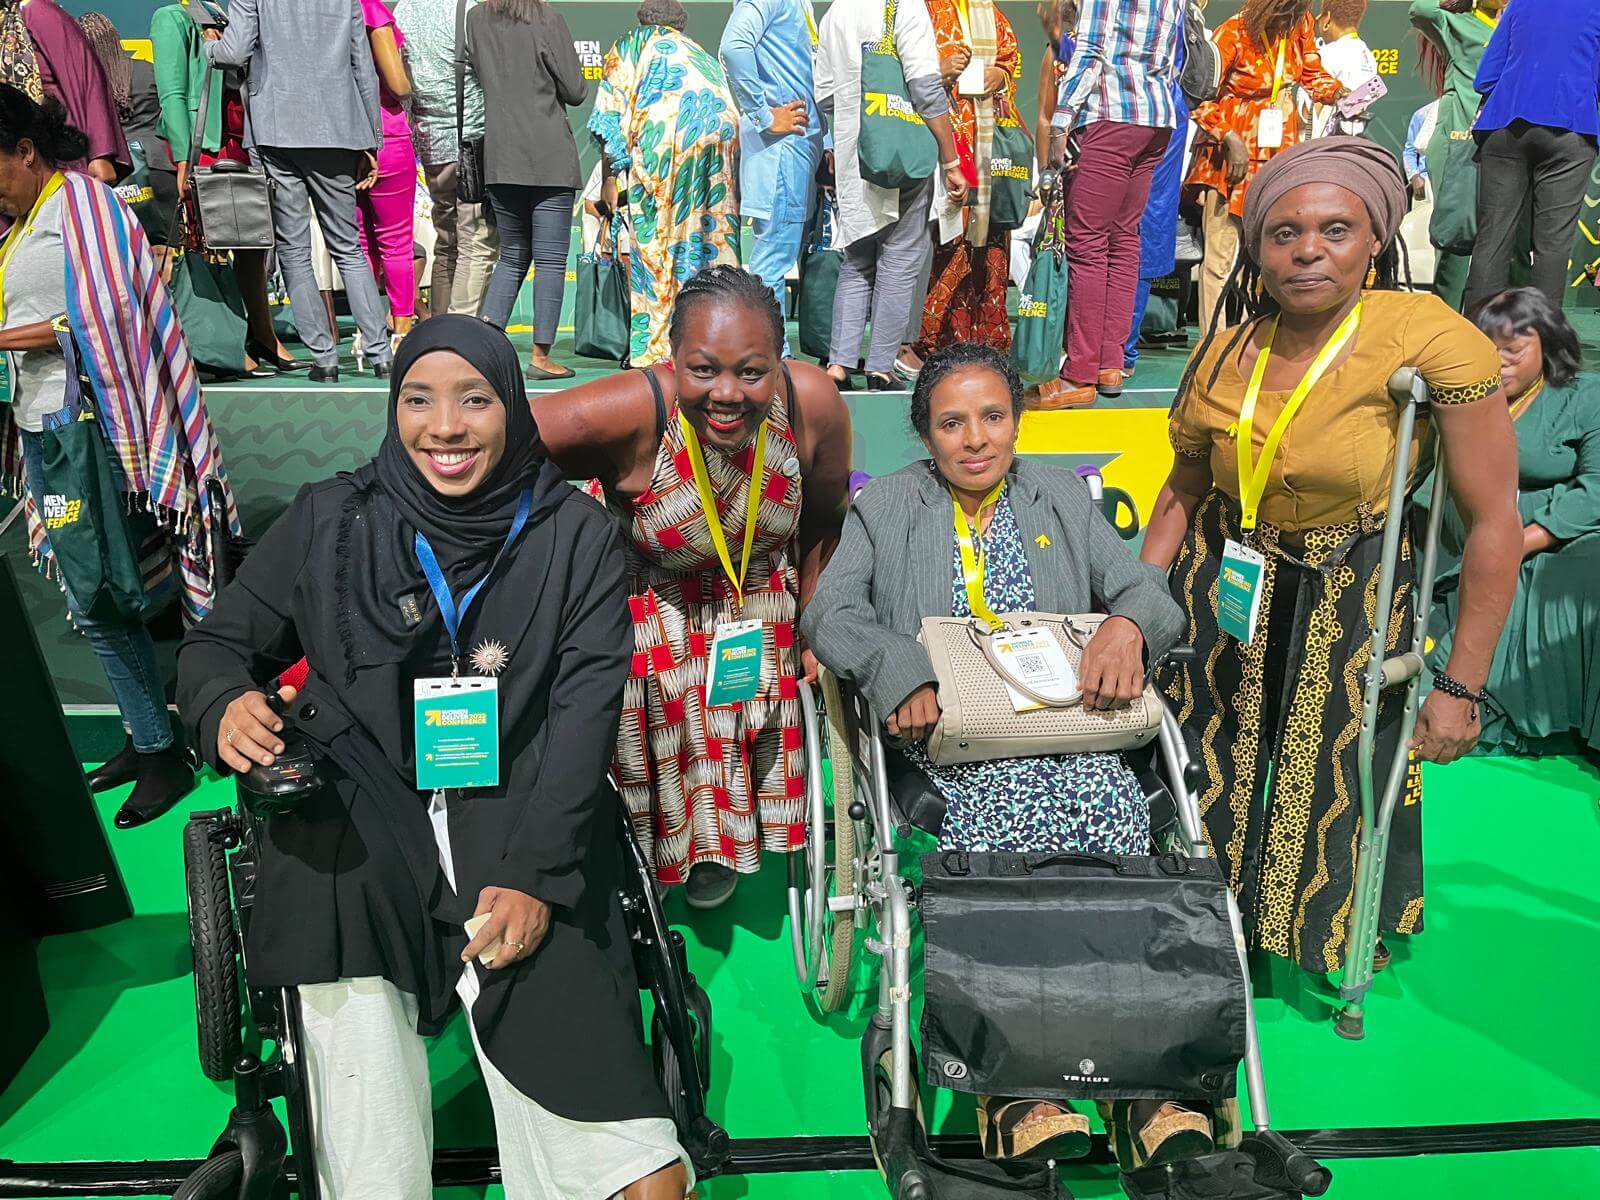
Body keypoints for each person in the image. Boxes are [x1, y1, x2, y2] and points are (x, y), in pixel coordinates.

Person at [176, 316, 693, 1200]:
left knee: (643, 1183)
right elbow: (217, 646)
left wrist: (536, 874)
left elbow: (581, 717)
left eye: (473, 400)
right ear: (393, 406)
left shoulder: (576, 536)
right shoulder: (332, 518)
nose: (444, 427)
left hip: (523, 806)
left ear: (513, 407)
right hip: (356, 806)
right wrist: (225, 704)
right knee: (364, 1102)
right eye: (419, 399)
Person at [801, 343, 1224, 1170]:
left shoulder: (1059, 496)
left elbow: (1142, 587)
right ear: (924, 434)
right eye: (952, 422)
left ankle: (1148, 1080)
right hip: (951, 745)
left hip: (1069, 731)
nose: (975, 439)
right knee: (1002, 833)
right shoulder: (885, 508)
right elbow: (830, 612)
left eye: (992, 416)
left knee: (1117, 817)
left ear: (1018, 422)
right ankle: (1019, 1088)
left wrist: (1129, 625)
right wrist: (896, 666)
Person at [1142, 137, 1522, 976]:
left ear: (1375, 241)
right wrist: (1133, 616)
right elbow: (1181, 494)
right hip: (1225, 574)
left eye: (1335, 229)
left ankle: (1318, 931)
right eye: (1283, 232)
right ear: (1256, 246)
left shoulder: (1427, 334)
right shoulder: (1225, 347)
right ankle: (1209, 921)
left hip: (1350, 580)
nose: (1306, 250)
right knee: (1207, 752)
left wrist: (1460, 685)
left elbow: (1493, 520)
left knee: (1335, 765)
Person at [532, 267, 852, 910]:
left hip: (759, 614)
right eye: (703, 370)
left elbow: (823, 522)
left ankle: (720, 848)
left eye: (751, 371)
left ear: (778, 364)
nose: (727, 393)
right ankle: (648, 855)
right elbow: (497, 443)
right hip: (655, 617)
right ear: (671, 360)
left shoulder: (811, 402)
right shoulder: (636, 409)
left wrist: (817, 625)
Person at [0, 85, 236, 829]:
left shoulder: (83, 207)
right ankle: (149, 737)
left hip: (99, 430)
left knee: (110, 592)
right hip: (48, 429)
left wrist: (9, 339)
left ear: (26, 152)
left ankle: (170, 748)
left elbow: (112, 313)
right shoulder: (26, 219)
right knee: (95, 595)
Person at [1426, 288, 1600, 758]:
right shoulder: (1458, 395)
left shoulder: (1587, 396)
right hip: (1470, 527)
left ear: (1549, 345)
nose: (1499, 363)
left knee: (1576, 576)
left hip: (1562, 530)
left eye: (1514, 351)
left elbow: (1596, 490)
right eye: (1488, 350)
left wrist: (1520, 542)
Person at [204, 0, 395, 382]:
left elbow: (233, 52)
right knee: (348, 247)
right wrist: (372, 139)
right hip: (339, 130)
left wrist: (208, 45)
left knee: (294, 249)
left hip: (277, 130)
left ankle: (324, 359)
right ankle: (381, 354)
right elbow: (364, 67)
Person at [1033, 0, 1184, 410]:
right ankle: (1109, 365)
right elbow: (1172, 58)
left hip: (1111, 116)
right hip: (1156, 118)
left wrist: (1061, 121)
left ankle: (1079, 372)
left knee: (1087, 244)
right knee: (1123, 239)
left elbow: (1090, 51)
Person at [815, 0, 968, 391]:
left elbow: (825, 95)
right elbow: (924, 88)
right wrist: (951, 161)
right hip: (901, 151)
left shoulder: (835, 12)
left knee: (858, 259)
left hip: (856, 152)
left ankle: (839, 364)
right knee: (900, 258)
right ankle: (881, 366)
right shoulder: (903, 6)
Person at [150, 0, 301, 374]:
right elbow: (172, 92)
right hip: (204, 147)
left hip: (243, 140)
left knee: (253, 241)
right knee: (208, 246)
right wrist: (184, 157)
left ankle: (264, 334)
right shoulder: (173, 16)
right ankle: (222, 344)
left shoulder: (233, 14)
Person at [589, 1, 740, 369]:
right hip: (722, 134)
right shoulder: (696, 50)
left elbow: (608, 117)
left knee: (655, 241)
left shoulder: (630, 44)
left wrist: (611, 179)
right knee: (710, 240)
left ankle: (658, 347)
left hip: (669, 136)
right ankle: (716, 334)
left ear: (641, 20)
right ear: (681, 24)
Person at [1185, 0, 1344, 336]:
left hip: (1277, 154)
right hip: (1232, 157)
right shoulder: (1233, 31)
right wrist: (1228, 137)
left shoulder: (1297, 25)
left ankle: (1246, 341)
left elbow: (1312, 74)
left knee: (1261, 259)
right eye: (1286, 10)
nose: (1293, 17)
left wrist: (1341, 93)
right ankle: (1210, 347)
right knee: (1221, 260)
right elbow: (1198, 96)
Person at [469, 0, 585, 381]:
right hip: (548, 155)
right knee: (550, 260)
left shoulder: (476, 18)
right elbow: (576, 89)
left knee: (513, 255)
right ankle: (541, 356)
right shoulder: (547, 18)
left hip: (501, 156)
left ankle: (483, 349)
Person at [1462, 0, 1600, 313]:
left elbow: (1484, 78)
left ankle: (1474, 343)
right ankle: (1542, 348)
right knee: (1552, 245)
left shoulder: (1520, 5)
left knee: (1493, 237)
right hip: (1570, 125)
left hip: (1505, 123)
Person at [719, 0, 826, 355]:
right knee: (773, 260)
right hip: (781, 149)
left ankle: (769, 355)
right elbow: (734, 47)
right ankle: (770, 357)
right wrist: (763, 115)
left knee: (780, 255)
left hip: (797, 148)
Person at [393, 0, 496, 319]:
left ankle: (440, 329)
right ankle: (460, 335)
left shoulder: (403, 9)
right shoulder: (470, 8)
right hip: (471, 139)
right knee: (476, 241)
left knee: (448, 239)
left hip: (429, 140)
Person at [1409, 0, 1504, 311]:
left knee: (1505, 235)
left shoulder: (1514, 23)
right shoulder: (1458, 23)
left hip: (1505, 141)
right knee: (1458, 236)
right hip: (1460, 137)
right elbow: (1420, 11)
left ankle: (1498, 323)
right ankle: (1446, 324)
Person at [76, 13, 175, 251]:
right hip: (161, 168)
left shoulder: (85, 85)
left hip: (118, 171)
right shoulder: (149, 71)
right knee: (171, 253)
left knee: (127, 253)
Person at [0, 0, 126, 184]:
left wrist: (100, 154)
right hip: (11, 166)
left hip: (60, 160)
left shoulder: (36, 11)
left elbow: (86, 78)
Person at [355, 0, 417, 349]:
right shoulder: (371, 11)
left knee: (359, 244)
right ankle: (402, 330)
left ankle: (368, 330)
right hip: (385, 135)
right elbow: (398, 84)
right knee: (395, 241)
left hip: (342, 141)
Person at [1310, 0, 1379, 138]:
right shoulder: (1369, 57)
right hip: (1353, 141)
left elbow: (1311, 110)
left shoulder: (1327, 54)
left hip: (1322, 145)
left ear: (1327, 18)